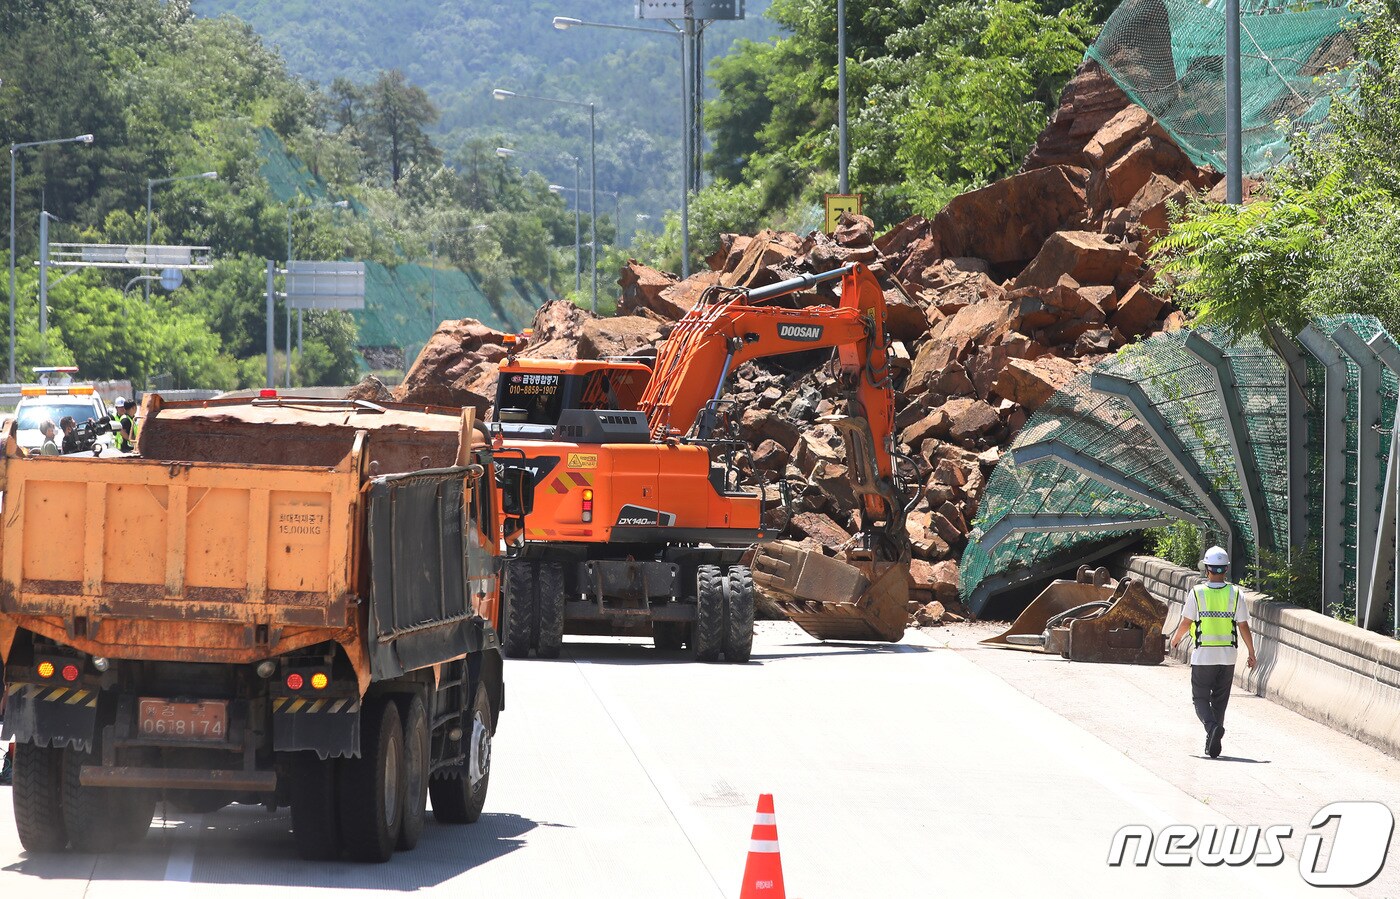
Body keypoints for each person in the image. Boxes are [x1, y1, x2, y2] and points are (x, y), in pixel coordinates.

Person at [1170, 546, 1257, 758]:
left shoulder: (1197, 593)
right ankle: (1212, 743)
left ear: (1207, 568)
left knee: (1200, 697)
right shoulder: (1236, 594)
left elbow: (1186, 622)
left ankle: (1211, 729)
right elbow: (1243, 626)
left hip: (1204, 655)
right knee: (1220, 700)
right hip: (1227, 656)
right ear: (1225, 569)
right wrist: (1251, 653)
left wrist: (1175, 639)